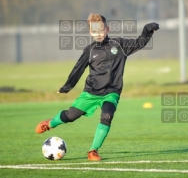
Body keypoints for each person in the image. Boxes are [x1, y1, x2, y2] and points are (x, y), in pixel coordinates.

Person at [35, 13, 159, 161]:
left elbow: (140, 43)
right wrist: (66, 87)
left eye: (101, 30)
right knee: (70, 116)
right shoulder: (89, 50)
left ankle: (93, 150)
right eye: (95, 31)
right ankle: (50, 123)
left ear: (107, 29)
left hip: (111, 92)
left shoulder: (119, 44)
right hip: (91, 93)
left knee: (107, 115)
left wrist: (147, 30)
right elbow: (78, 69)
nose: (98, 34)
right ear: (90, 32)